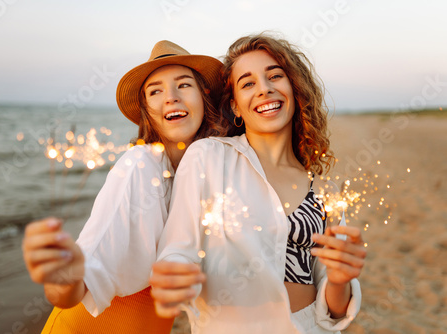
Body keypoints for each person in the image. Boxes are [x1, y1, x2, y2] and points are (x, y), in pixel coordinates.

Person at [151, 34, 366, 333]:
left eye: (275, 76)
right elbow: (178, 248)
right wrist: (173, 275)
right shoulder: (208, 157)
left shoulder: (323, 188)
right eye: (248, 83)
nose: (264, 89)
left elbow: (333, 309)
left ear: (295, 88)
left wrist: (341, 279)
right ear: (236, 106)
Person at [22, 40, 226, 333]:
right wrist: (61, 277)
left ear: (203, 97)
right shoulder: (141, 164)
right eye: (155, 91)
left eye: (183, 85)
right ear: (146, 108)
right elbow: (77, 284)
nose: (170, 97)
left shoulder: (202, 172)